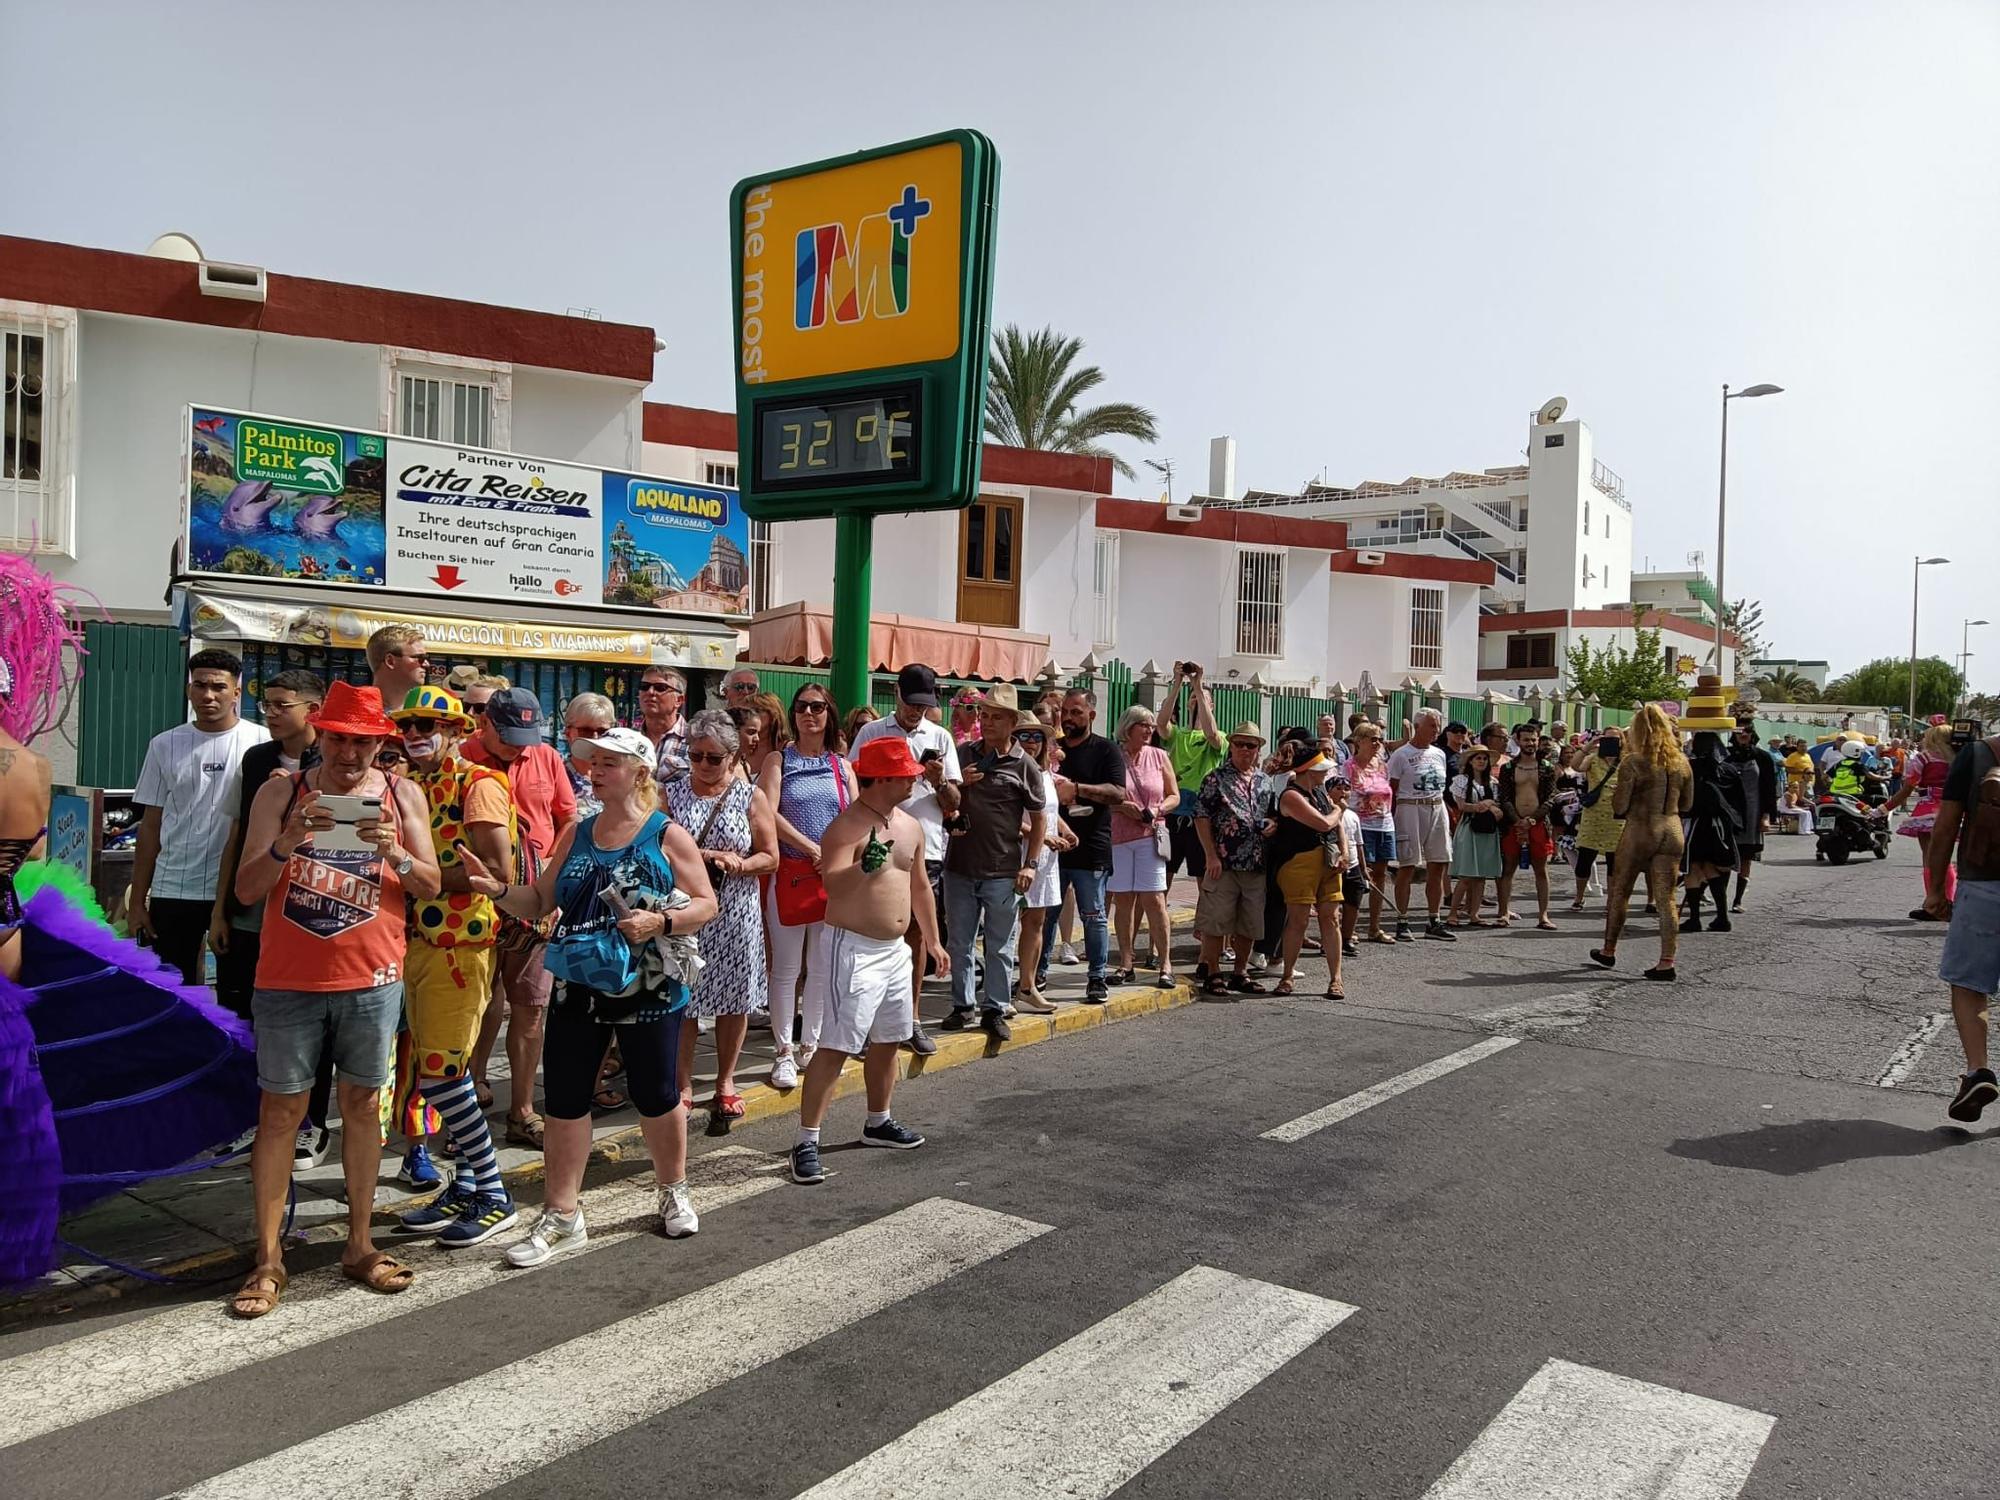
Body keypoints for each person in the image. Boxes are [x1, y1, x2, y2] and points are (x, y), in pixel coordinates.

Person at [462, 728, 718, 1261]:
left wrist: (661, 921)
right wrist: (496, 891)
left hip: (648, 984)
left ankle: (672, 1190)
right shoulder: (576, 833)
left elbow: (705, 904)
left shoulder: (666, 834)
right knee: (566, 1095)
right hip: (579, 983)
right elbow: (539, 900)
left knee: (654, 1093)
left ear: (639, 773)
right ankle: (562, 1214)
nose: (594, 770)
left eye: (608, 763)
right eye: (592, 762)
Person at [227, 682, 441, 1317]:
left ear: (381, 742)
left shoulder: (403, 794)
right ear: (320, 734)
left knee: (360, 1106)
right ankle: (267, 1259)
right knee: (280, 1115)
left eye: (363, 740)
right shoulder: (280, 791)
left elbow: (429, 885)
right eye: (340, 737)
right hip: (289, 980)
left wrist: (395, 852)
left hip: (372, 978)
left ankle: (359, 1243)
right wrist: (287, 841)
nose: (350, 752)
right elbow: (246, 890)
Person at [384, 686, 521, 1248]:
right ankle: (467, 1184)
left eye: (429, 727)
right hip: (417, 943)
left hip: (460, 947)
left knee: (440, 1076)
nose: (416, 735)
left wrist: (423, 874)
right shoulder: (410, 787)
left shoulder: (479, 785)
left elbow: (498, 870)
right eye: (409, 727)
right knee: (446, 1071)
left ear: (458, 732)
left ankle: (492, 1193)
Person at [788, 736, 949, 1185]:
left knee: (890, 1037)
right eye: (906, 776)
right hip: (852, 947)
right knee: (837, 1044)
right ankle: (806, 1139)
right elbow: (833, 889)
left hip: (895, 950)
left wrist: (933, 941)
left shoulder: (910, 825)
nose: (914, 781)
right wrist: (863, 865)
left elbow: (920, 887)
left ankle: (878, 1120)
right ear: (881, 779)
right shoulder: (845, 828)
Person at [212, 670, 330, 1167]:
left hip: (310, 913)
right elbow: (238, 839)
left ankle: (312, 1125)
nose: (272, 713)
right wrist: (221, 908)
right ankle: (252, 1118)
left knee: (314, 1025)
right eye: (269, 705)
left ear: (313, 709)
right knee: (247, 1018)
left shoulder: (332, 760)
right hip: (252, 910)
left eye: (283, 704)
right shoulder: (256, 759)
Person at [465, 685, 578, 1151]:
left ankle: (523, 1109)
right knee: (478, 1001)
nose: (517, 745)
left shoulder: (546, 757)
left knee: (531, 1007)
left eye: (525, 736)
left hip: (535, 900)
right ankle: (467, 1101)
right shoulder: (461, 759)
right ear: (485, 723)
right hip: (475, 901)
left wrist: (548, 870)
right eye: (508, 735)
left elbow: (568, 816)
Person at [129, 649, 270, 985]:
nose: (208, 695)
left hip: (239, 891)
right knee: (173, 992)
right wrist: (137, 902)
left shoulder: (261, 743)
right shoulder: (164, 745)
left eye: (219, 687)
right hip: (174, 887)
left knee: (237, 994)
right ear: (188, 689)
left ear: (237, 691)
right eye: (200, 685)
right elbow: (150, 827)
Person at [667, 708, 776, 1122]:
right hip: (687, 909)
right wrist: (705, 857)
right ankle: (683, 1081)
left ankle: (725, 1081)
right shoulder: (672, 792)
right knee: (685, 1000)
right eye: (696, 756)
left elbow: (770, 856)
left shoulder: (751, 796)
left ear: (732, 757)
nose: (704, 765)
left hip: (735, 909)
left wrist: (739, 864)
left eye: (714, 758)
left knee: (734, 1001)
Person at [850, 664, 963, 1055]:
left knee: (914, 936)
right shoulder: (872, 732)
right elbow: (855, 786)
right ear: (896, 693)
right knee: (876, 933)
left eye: (924, 704)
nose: (917, 711)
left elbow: (954, 805)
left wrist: (939, 779)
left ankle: (909, 1020)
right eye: (912, 702)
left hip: (925, 849)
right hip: (877, 845)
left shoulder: (940, 737)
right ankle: (866, 1024)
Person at [757, 684, 857, 1086]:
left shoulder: (841, 766)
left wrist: (836, 854)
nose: (808, 713)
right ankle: (782, 1051)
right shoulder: (778, 760)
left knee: (820, 967)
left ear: (829, 713)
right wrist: (810, 846)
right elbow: (765, 810)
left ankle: (810, 1045)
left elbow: (853, 815)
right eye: (801, 707)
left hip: (830, 876)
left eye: (817, 707)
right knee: (785, 967)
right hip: (792, 871)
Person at [940, 684, 1045, 1040]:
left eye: (995, 717)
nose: (986, 722)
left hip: (1003, 869)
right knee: (960, 942)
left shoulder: (1024, 764)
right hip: (960, 865)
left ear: (1012, 721)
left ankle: (995, 1008)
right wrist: (959, 786)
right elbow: (944, 801)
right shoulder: (963, 753)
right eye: (983, 715)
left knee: (999, 945)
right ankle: (962, 1005)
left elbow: (1039, 816)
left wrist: (1030, 863)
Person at [1925, 726, 2000, 1120]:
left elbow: (1946, 828)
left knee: (1970, 985)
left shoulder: (1978, 754)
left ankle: (1978, 1070)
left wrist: (1936, 888)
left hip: (1984, 884)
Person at [1591, 705, 1692, 980]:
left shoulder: (1634, 762)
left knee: (1621, 891)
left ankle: (1609, 950)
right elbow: (1687, 803)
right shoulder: (1682, 762)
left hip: (1640, 828)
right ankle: (1666, 960)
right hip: (1671, 829)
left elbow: (1620, 804)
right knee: (1666, 898)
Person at [1048, 689, 1128, 1002]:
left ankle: (1097, 978)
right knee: (1046, 915)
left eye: (1076, 712)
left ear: (1091, 715)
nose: (1068, 718)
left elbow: (1118, 793)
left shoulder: (1106, 750)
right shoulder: (1053, 750)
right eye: (1065, 712)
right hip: (1053, 847)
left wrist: (1077, 789)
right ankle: (1036, 976)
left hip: (1091, 847)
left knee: (1093, 916)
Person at [1193, 723, 1272, 998]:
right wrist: (1210, 854)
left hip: (1256, 860)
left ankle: (1240, 972)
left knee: (1249, 922)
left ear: (1259, 749)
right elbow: (1201, 816)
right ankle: (1213, 971)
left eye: (1251, 745)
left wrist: (1272, 825)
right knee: (1216, 920)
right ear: (1231, 746)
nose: (1245, 750)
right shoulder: (1215, 778)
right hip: (1224, 861)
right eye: (1240, 744)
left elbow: (1271, 813)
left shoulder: (1265, 780)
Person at [1270, 751, 1348, 1000]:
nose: (1327, 773)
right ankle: (1288, 975)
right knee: (1299, 919)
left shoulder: (1321, 792)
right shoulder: (1292, 795)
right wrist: (1338, 809)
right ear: (1308, 770)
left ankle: (1336, 978)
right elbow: (1325, 823)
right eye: (1322, 769)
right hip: (1298, 862)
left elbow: (1337, 827)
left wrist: (1345, 852)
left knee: (1331, 918)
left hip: (1328, 860)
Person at [1109, 704, 1178, 987]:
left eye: (1151, 725)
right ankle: (1126, 961)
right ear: (1128, 728)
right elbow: (1105, 795)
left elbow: (1174, 795)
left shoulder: (1160, 756)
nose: (1149, 730)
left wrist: (1159, 807)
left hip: (1151, 835)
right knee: (1123, 900)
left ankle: (1165, 963)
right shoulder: (1113, 756)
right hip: (1119, 837)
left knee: (1154, 900)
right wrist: (1122, 807)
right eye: (1143, 725)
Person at [1013, 714, 1074, 1013]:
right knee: (1011, 923)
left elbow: (1047, 810)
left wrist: (1063, 829)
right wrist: (1044, 837)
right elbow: (1009, 818)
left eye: (1037, 737)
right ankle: (1004, 990)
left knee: (1036, 921)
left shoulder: (1044, 772)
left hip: (1046, 858)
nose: (1032, 742)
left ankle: (1028, 984)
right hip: (1019, 854)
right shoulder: (1012, 769)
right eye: (1024, 736)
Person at [1387, 708, 1456, 942]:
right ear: (1418, 726)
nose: (1436, 730)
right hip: (1410, 807)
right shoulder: (1401, 755)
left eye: (1437, 726)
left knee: (1438, 864)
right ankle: (1402, 919)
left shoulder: (1439, 754)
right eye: (1431, 726)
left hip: (1436, 805)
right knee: (1408, 866)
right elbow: (1392, 789)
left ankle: (1434, 919)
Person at [1887, 718, 1959, 920]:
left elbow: (1907, 788)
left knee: (1930, 858)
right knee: (1947, 859)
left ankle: (1933, 905)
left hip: (1927, 809)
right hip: (1953, 811)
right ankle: (1950, 903)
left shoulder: (1923, 758)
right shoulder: (1959, 758)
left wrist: (1883, 809)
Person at [1160, 663, 1226, 884]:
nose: (1196, 700)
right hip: (1175, 813)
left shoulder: (1220, 738)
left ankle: (1203, 920)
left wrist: (1198, 686)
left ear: (1212, 706)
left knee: (1203, 878)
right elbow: (1161, 725)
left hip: (1201, 816)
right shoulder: (1178, 735)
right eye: (1194, 698)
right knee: (1164, 877)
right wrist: (1178, 683)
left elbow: (1211, 734)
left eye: (1203, 699)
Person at [1680, 732, 1744, 933]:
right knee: (1711, 868)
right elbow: (1739, 801)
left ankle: (1695, 919)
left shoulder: (1690, 768)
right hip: (1721, 825)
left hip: (1695, 823)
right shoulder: (1729, 770)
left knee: (1692, 868)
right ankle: (1722, 917)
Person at [1496, 723, 1559, 930]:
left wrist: (1532, 820)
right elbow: (1504, 797)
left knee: (1541, 870)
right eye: (1526, 739)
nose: (1530, 743)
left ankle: (1543, 916)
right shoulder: (1508, 768)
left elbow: (1551, 798)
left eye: (1533, 739)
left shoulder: (1547, 767)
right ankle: (1504, 912)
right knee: (1508, 869)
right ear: (1518, 740)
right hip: (1513, 825)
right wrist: (1517, 821)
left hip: (1539, 824)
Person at [1348, 723, 1398, 944]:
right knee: (1359, 876)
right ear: (1359, 741)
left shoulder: (1383, 766)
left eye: (1379, 739)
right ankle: (1351, 925)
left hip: (1384, 824)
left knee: (1380, 874)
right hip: (1361, 825)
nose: (1377, 743)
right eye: (1372, 738)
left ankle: (1375, 927)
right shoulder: (1348, 766)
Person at [1448, 745, 1505, 927]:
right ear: (1471, 761)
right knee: (1466, 875)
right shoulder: (1461, 780)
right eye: (1478, 758)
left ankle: (1474, 913)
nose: (1481, 761)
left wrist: (1488, 806)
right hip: (1469, 826)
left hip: (1487, 829)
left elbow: (1497, 804)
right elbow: (1461, 805)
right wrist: (1484, 805)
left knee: (1480, 876)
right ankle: (1453, 913)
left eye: (1484, 758)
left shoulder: (1493, 782)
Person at [1723, 720, 1777, 913]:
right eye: (1739, 733)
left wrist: (1767, 816)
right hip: (1729, 815)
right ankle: (1719, 898)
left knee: (1745, 856)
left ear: (1752, 734)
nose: (1743, 735)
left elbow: (1770, 790)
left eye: (1746, 732)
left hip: (1753, 814)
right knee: (1724, 857)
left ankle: (1737, 900)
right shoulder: (1726, 758)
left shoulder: (1763, 758)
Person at [1573, 728, 1623, 909]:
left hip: (1617, 816)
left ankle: (1611, 902)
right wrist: (1589, 745)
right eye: (1607, 739)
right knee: (1585, 857)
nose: (1610, 743)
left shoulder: (1626, 761)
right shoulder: (1592, 758)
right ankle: (1579, 897)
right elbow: (1575, 766)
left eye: (1615, 739)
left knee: (1614, 861)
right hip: (1593, 814)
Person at [563, 691, 618, 817]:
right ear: (568, 733)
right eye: (586, 731)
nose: (595, 738)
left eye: (602, 731)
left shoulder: (618, 776)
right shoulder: (559, 776)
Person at [635, 668, 689, 784]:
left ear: (679, 700)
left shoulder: (694, 740)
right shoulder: (630, 739)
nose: (650, 692)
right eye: (644, 686)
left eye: (660, 688)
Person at [366, 625, 430, 709]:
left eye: (426, 658)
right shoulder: (356, 713)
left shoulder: (428, 716)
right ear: (390, 661)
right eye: (420, 658)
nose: (426, 664)